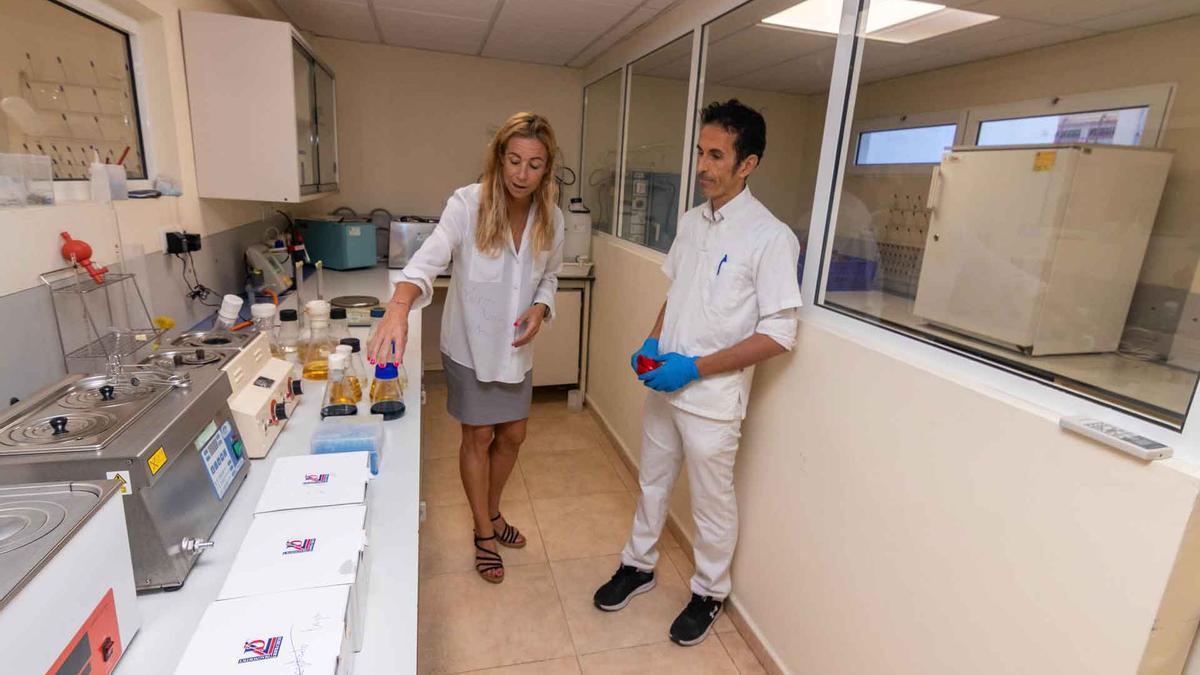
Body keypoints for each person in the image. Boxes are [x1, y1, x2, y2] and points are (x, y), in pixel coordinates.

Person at [593, 100, 802, 645]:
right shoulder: (691, 221)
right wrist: (653, 341)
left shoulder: (770, 237)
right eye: (701, 153)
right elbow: (678, 292)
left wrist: (695, 367)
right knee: (652, 481)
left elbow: (779, 334)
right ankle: (637, 565)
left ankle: (709, 591)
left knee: (712, 501)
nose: (704, 167)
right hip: (665, 384)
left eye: (717, 155)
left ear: (747, 163)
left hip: (712, 399)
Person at [368, 112, 564, 584]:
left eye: (533, 165)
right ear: (498, 158)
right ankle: (483, 531)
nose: (521, 174)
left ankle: (492, 512)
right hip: (470, 347)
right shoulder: (468, 204)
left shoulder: (551, 219)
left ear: (546, 169)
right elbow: (427, 260)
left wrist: (541, 306)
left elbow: (550, 276)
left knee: (513, 436)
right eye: (514, 160)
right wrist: (398, 306)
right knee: (477, 438)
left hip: (516, 347)